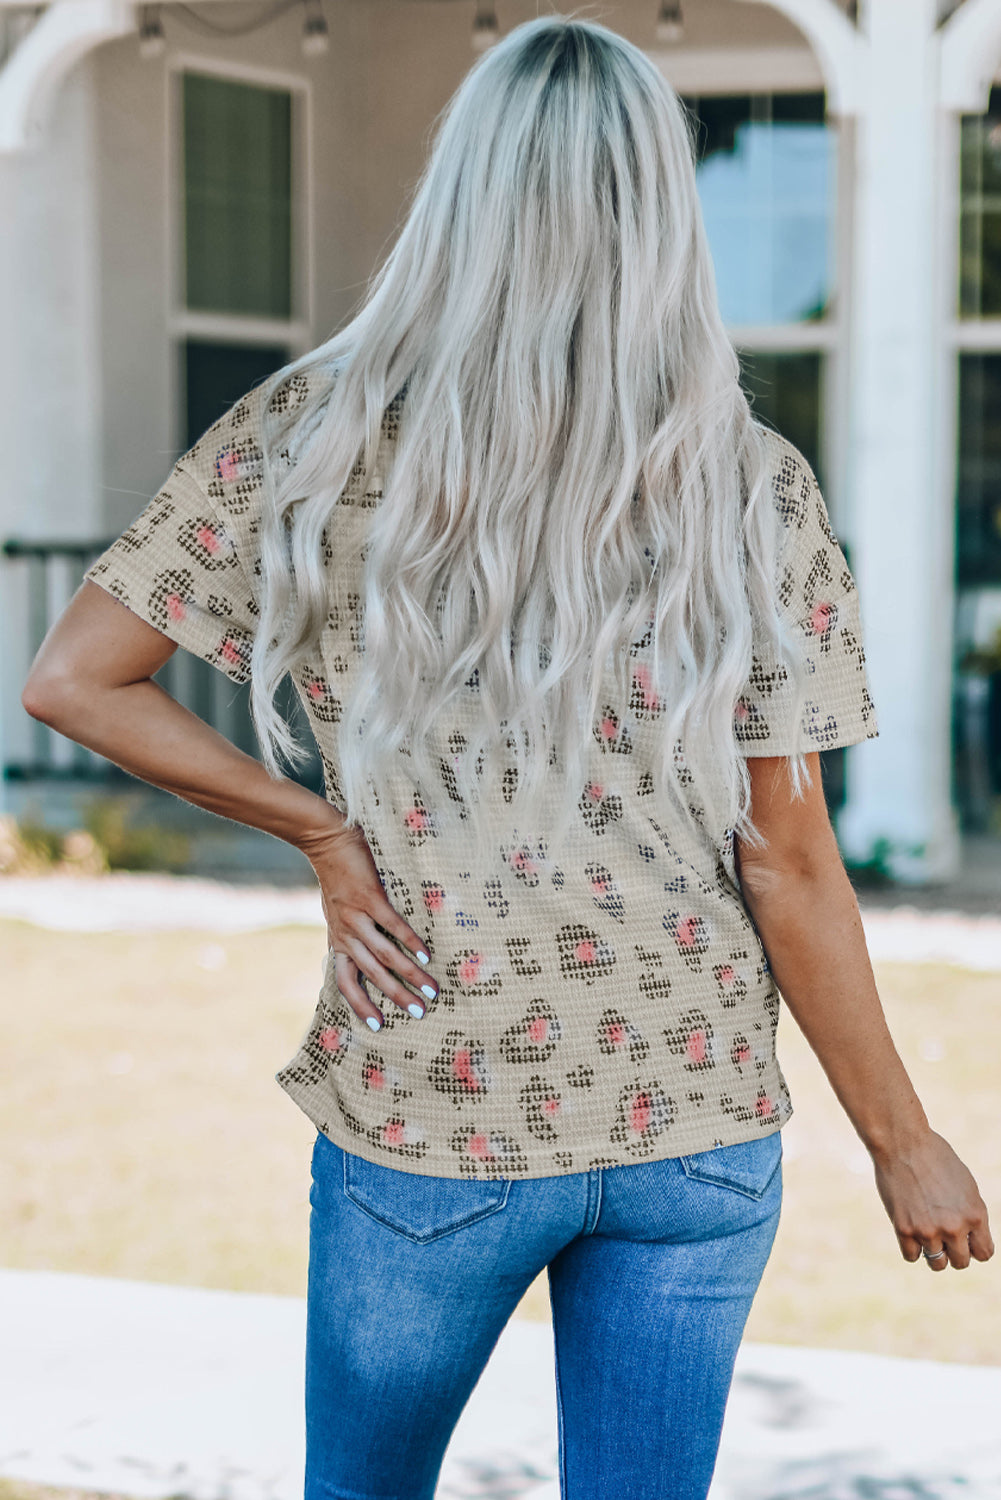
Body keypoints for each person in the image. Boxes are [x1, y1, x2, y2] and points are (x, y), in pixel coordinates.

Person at [22, 15, 992, 1500]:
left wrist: (320, 833)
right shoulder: (747, 484)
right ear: (663, 207)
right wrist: (902, 1141)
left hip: (436, 1097)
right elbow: (787, 856)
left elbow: (73, 681)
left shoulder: (312, 434)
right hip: (695, 1125)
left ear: (459, 191)